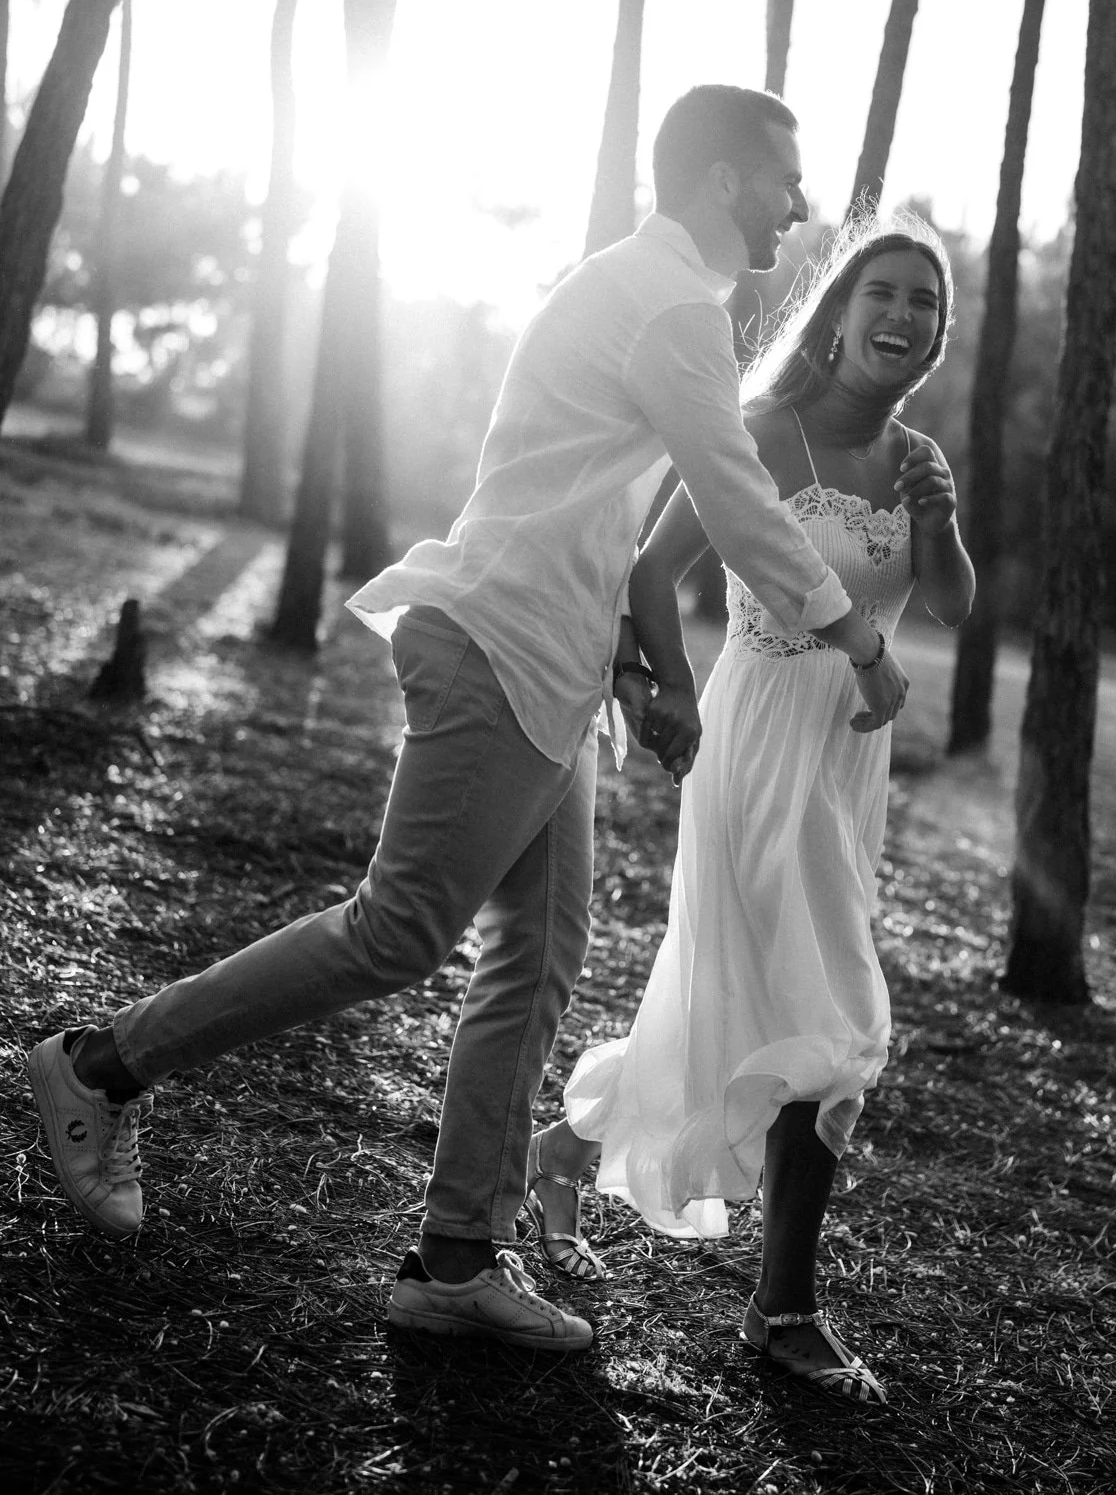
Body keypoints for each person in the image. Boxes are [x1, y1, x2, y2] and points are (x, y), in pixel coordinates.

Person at [27, 85, 908, 1353]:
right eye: (785, 177)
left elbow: (593, 513)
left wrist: (645, 672)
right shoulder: (671, 308)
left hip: (552, 660)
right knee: (400, 927)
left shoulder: (652, 297)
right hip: (497, 644)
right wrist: (860, 639)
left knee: (537, 957)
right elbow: (743, 511)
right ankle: (101, 1062)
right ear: (721, 181)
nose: (801, 204)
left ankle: (455, 1259)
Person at [522, 213, 974, 1401]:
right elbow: (650, 573)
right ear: (837, 309)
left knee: (745, 1007)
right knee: (833, 1015)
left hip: (849, 762)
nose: (901, 315)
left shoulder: (915, 453)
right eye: (882, 290)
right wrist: (670, 691)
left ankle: (563, 1148)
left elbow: (956, 607)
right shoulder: (766, 431)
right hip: (759, 739)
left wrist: (941, 522)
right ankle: (784, 1310)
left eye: (924, 302)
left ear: (936, 335)